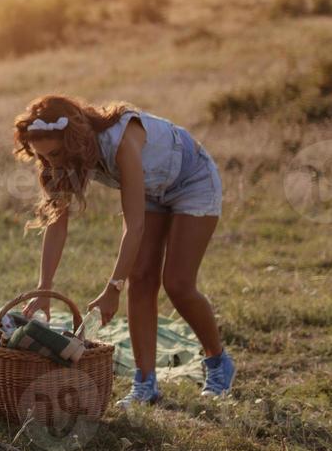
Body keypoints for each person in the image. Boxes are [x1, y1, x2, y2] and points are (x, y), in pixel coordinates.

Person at [12, 95, 233, 405]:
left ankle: (218, 362)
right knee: (141, 279)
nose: (52, 163)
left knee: (178, 283)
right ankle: (145, 385)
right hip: (153, 190)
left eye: (56, 153)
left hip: (192, 180)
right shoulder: (59, 158)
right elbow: (57, 223)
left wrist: (113, 287)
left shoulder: (122, 142)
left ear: (74, 139)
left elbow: (134, 226)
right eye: (43, 157)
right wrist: (44, 288)